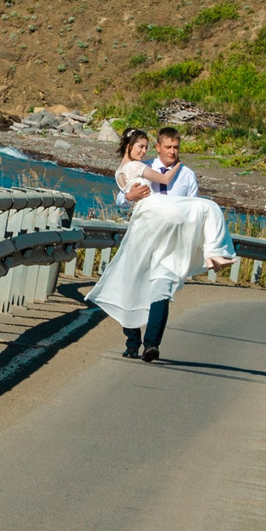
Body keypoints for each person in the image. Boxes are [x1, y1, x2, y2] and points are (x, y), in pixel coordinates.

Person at [89, 126, 233, 361]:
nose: (173, 152)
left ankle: (151, 345)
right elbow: (123, 193)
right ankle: (132, 343)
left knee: (162, 289)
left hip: (171, 242)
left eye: (176, 147)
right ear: (158, 147)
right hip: (145, 235)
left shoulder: (187, 175)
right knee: (131, 284)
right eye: (168, 147)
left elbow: (192, 209)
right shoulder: (144, 165)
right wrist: (127, 197)